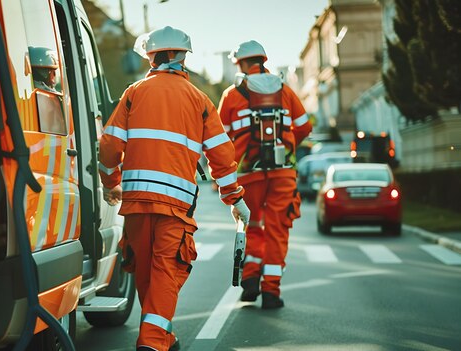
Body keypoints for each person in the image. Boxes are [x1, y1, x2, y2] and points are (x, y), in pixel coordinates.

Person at [98, 26, 250, 351]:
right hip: (174, 209)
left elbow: (109, 145)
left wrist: (110, 182)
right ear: (183, 58)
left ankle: (163, 338)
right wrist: (235, 199)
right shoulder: (200, 100)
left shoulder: (134, 92)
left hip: (136, 206)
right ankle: (153, 343)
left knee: (146, 276)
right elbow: (222, 156)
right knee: (166, 271)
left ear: (151, 57)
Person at [218, 40, 312, 309]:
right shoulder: (285, 90)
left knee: (253, 224)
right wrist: (289, 149)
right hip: (283, 173)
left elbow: (219, 139)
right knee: (277, 229)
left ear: (241, 64)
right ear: (264, 60)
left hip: (247, 172)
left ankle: (250, 278)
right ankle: (271, 292)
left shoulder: (232, 94)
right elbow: (304, 127)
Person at [28, 46, 66, 134]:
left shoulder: (26, 92)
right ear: (49, 73)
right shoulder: (52, 98)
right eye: (53, 72)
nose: (55, 76)